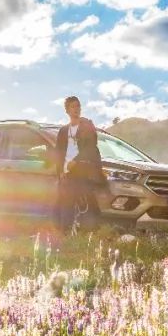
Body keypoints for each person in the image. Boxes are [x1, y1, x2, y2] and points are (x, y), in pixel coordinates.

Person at [53, 96, 106, 233]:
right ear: (67, 110)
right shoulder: (63, 131)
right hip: (67, 172)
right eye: (73, 106)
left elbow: (91, 148)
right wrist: (60, 172)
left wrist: (75, 161)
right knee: (66, 204)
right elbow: (59, 153)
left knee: (87, 202)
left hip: (83, 169)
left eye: (78, 106)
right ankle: (65, 232)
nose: (77, 109)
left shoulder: (87, 126)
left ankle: (89, 231)